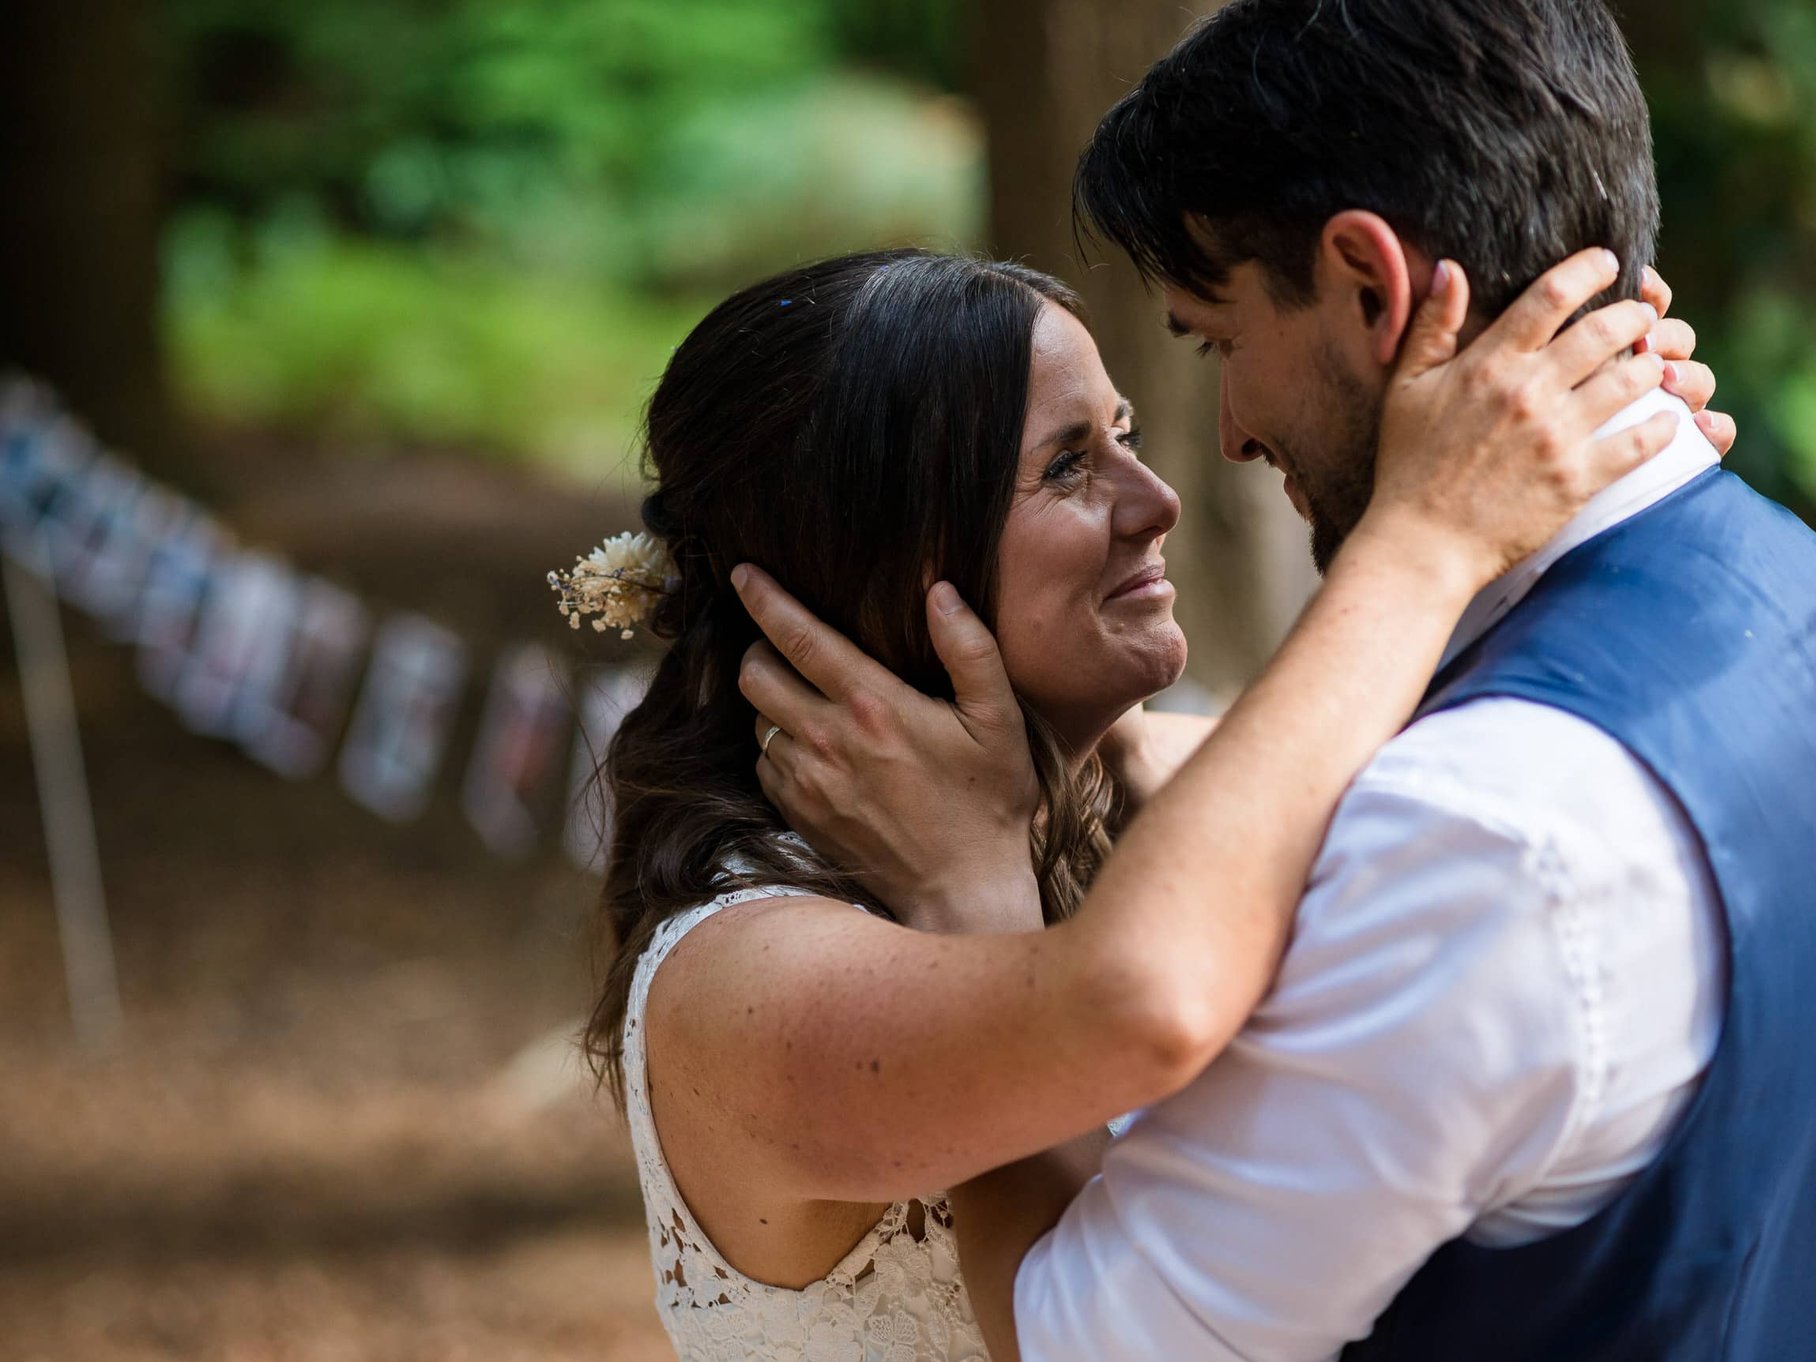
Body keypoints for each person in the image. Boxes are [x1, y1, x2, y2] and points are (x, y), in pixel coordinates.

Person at [734, 3, 1816, 1360]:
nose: (1223, 436)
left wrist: (965, 893)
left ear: (1369, 286)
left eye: (1216, 340)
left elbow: (1087, 1333)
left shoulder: (1481, 828)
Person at [558, 240, 1722, 1361]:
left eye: (1120, 435)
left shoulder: (1139, 781)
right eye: (1066, 466)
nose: (1155, 497)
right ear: (872, 561)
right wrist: (967, 883)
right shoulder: (745, 985)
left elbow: (1514, 780)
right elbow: (1109, 1198)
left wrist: (1594, 470)